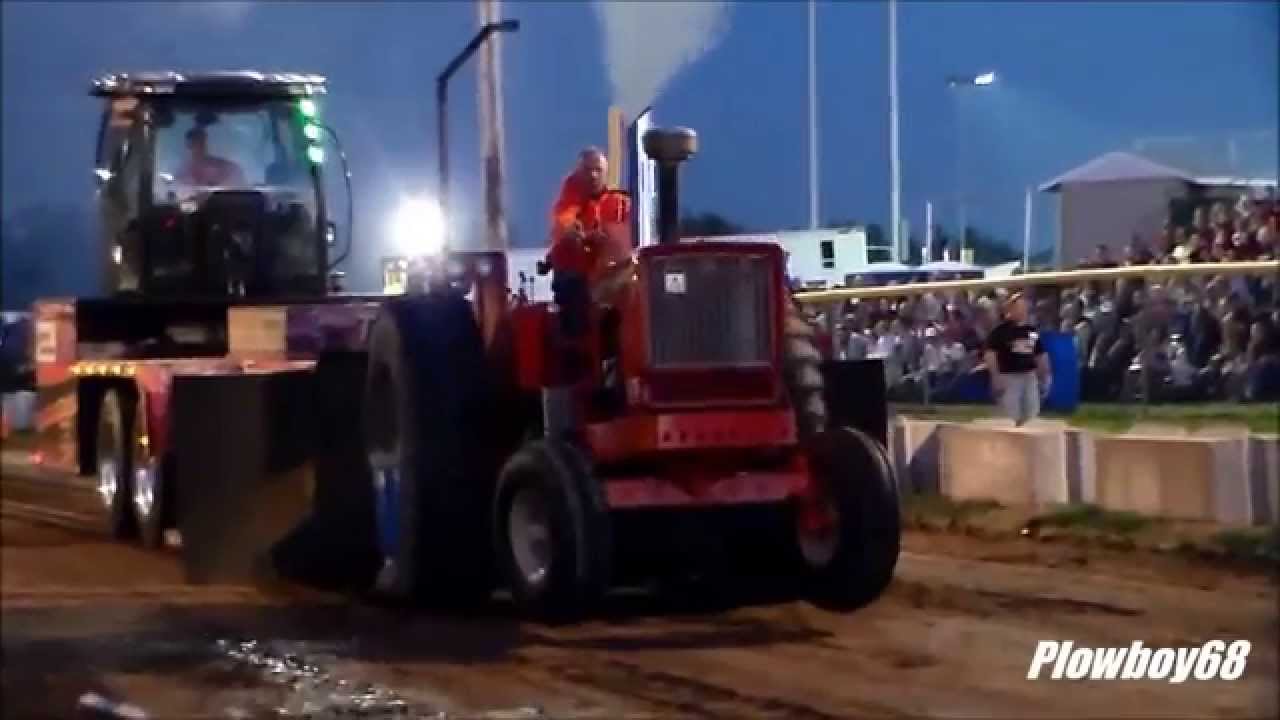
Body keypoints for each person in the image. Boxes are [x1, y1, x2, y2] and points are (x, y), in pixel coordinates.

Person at [983, 291, 1051, 426]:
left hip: (1029, 376)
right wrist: (996, 376)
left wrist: (1045, 374)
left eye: (1024, 307)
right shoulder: (1000, 332)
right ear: (1010, 309)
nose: (1023, 311)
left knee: (1031, 414)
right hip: (1009, 376)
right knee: (1009, 416)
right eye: (1019, 307)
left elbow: (1039, 353)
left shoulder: (1031, 331)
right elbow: (990, 354)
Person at [176, 127, 245, 187]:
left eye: (201, 143)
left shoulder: (227, 168)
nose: (198, 147)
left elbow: (239, 189)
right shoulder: (182, 171)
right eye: (194, 143)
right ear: (188, 145)